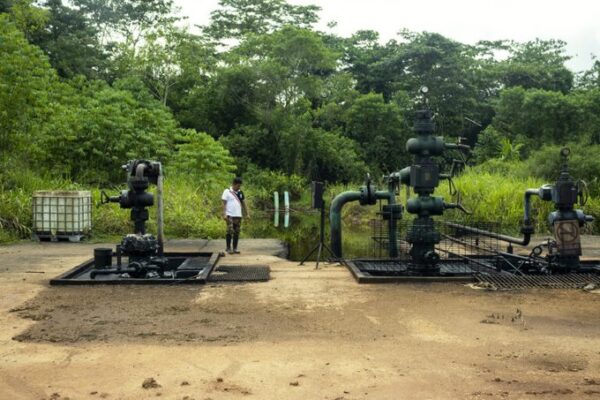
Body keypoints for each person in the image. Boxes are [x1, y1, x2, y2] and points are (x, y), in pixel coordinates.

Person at [221, 177, 250, 254]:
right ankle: (228, 248)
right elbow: (223, 203)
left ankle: (235, 248)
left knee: (237, 232)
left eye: (240, 186)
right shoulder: (227, 191)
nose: (239, 187)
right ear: (233, 184)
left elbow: (244, 203)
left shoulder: (240, 193)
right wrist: (224, 214)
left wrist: (247, 213)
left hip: (238, 216)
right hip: (229, 215)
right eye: (238, 186)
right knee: (229, 231)